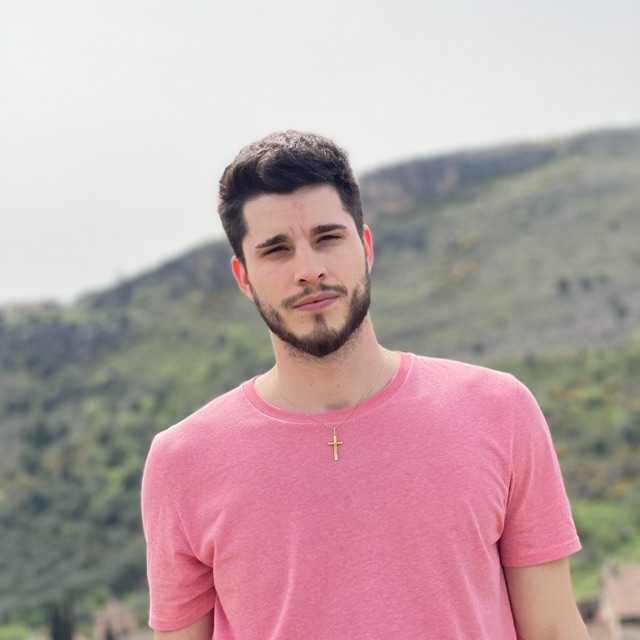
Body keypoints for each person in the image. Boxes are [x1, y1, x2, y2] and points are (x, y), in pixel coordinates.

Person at [140, 130, 590, 639]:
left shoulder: (499, 410)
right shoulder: (183, 461)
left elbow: (554, 629)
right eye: (277, 250)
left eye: (328, 238)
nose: (309, 270)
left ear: (367, 247)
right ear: (243, 278)